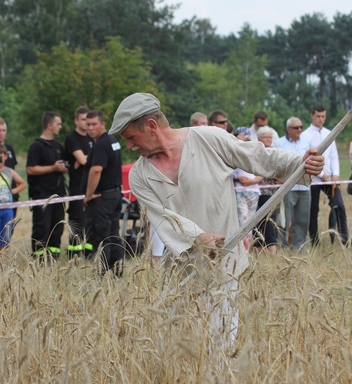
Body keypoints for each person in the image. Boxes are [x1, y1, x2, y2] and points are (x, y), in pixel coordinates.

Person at [109, 93, 324, 349]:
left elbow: (257, 156)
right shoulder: (140, 175)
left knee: (220, 342)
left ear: (152, 126)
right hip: (181, 270)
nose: (130, 146)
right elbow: (163, 218)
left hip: (225, 263)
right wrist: (198, 237)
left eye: (132, 137)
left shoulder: (208, 138)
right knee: (178, 343)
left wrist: (301, 163)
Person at [83, 110, 124, 276]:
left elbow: (96, 170)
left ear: (103, 124)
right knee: (114, 234)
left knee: (101, 236)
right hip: (115, 194)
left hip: (102, 197)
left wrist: (89, 194)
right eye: (88, 125)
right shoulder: (113, 141)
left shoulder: (100, 144)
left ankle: (102, 274)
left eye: (94, 124)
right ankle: (117, 272)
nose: (91, 128)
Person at [303, 104, 349, 245]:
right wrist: (321, 174)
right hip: (314, 178)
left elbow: (334, 157)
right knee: (313, 210)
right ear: (312, 116)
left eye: (323, 116)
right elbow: (307, 158)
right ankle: (314, 241)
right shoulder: (306, 135)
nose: (320, 119)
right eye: (318, 116)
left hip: (329, 178)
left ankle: (344, 240)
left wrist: (335, 174)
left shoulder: (329, 133)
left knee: (339, 206)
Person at [26, 112, 69, 259]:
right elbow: (30, 169)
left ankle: (53, 257)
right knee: (41, 227)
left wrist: (64, 168)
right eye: (58, 124)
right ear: (49, 125)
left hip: (59, 193)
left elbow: (64, 164)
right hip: (42, 194)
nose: (60, 127)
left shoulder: (58, 146)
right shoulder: (36, 146)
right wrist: (52, 168)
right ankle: (39, 258)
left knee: (57, 226)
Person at [274, 117, 311, 249]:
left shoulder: (307, 142)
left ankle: (299, 246)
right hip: (287, 187)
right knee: (285, 218)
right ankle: (283, 245)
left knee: (302, 218)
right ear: (288, 129)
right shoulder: (279, 143)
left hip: (304, 188)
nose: (299, 130)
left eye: (301, 127)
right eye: (296, 127)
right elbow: (275, 162)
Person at [64, 106, 92, 257]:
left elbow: (86, 160)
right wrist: (88, 159)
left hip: (92, 185)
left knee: (90, 220)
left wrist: (88, 159)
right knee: (77, 220)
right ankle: (73, 253)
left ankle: (89, 252)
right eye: (83, 120)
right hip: (77, 186)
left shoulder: (91, 138)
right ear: (76, 121)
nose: (86, 123)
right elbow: (82, 160)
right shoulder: (72, 139)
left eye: (88, 120)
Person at [232, 127, 262, 250]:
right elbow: (230, 171)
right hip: (239, 191)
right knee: (242, 220)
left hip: (253, 191)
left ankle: (246, 249)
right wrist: (238, 178)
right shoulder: (233, 151)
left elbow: (262, 172)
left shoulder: (254, 151)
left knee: (250, 222)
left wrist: (251, 181)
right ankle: (241, 248)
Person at [253, 127, 281, 254]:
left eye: (270, 137)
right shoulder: (256, 152)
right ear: (259, 138)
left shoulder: (275, 152)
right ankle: (258, 245)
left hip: (272, 191)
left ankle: (271, 246)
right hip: (257, 190)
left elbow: (277, 170)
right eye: (266, 137)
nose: (268, 139)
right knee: (258, 219)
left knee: (270, 219)